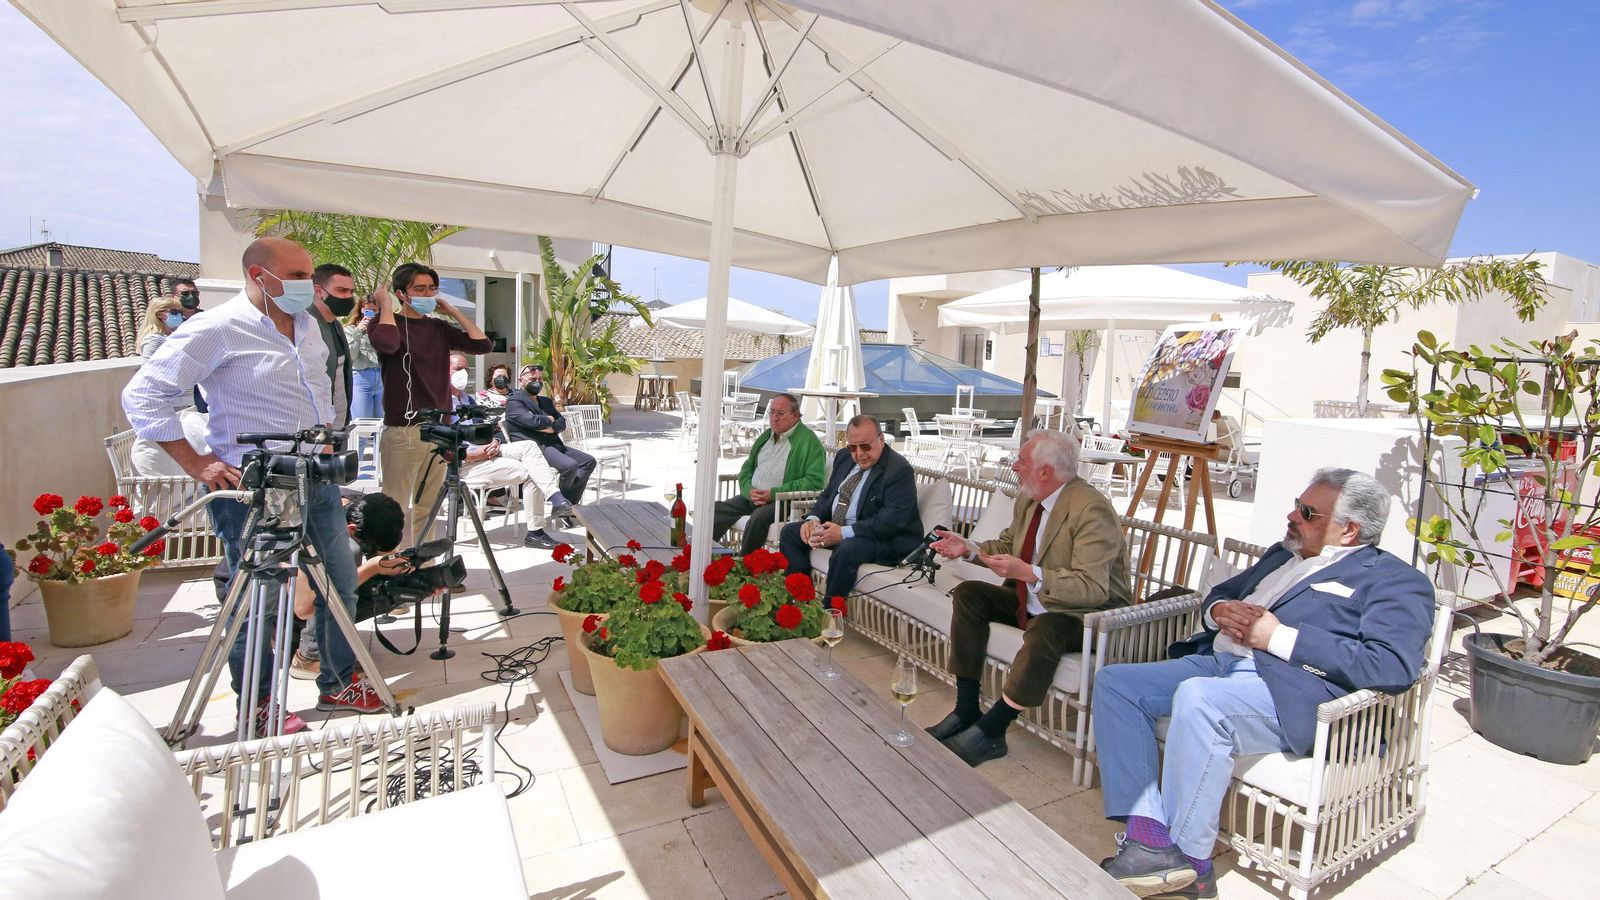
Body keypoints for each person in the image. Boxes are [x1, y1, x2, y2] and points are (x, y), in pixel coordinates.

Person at [1091, 469, 1434, 898]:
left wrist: (1279, 638)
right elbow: (1222, 592)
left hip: (1289, 690)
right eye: (1297, 504)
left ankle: (1194, 869)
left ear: (1349, 530)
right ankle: (1149, 839)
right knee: (1115, 683)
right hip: (1219, 662)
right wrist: (1219, 612)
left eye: (1307, 512)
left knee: (1200, 700)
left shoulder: (1394, 580)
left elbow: (1393, 666)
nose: (1293, 516)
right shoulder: (1282, 554)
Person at [121, 236, 381, 734]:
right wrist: (196, 462)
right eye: (298, 276)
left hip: (313, 477)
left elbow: (315, 388)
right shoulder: (218, 328)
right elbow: (144, 395)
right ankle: (258, 705)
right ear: (260, 275)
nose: (308, 285)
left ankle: (339, 680)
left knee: (339, 581)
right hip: (254, 487)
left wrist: (327, 437)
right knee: (258, 599)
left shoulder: (307, 325)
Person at [927, 429, 1131, 767]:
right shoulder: (1029, 499)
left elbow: (1093, 588)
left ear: (1045, 471)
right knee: (969, 594)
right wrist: (968, 549)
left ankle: (993, 730)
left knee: (1047, 629)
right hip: (1035, 600)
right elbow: (1008, 545)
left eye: (1021, 461)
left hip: (1089, 615)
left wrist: (1031, 574)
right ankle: (965, 710)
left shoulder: (1092, 510)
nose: (1014, 467)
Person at [368, 263, 494, 547]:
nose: (427, 294)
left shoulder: (438, 327)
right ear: (402, 293)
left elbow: (482, 345)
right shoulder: (384, 323)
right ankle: (393, 565)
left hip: (440, 429)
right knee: (395, 507)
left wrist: (453, 312)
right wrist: (385, 306)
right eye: (420, 289)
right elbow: (388, 345)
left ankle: (424, 564)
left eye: (432, 288)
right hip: (404, 429)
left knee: (429, 507)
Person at [778, 415, 923, 604]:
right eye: (853, 447)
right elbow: (829, 495)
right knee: (790, 532)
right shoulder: (844, 457)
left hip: (884, 539)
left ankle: (830, 611)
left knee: (847, 548)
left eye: (865, 446)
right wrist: (813, 519)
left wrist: (843, 533)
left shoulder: (898, 470)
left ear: (881, 440)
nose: (859, 453)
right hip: (840, 528)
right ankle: (802, 602)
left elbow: (890, 521)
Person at [290, 491, 416, 680]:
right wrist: (371, 568)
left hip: (300, 607)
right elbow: (303, 608)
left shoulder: (359, 507)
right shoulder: (316, 528)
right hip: (278, 613)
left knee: (389, 589)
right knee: (350, 551)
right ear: (351, 529)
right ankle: (310, 655)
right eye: (370, 548)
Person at [713, 392, 825, 555]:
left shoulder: (809, 442)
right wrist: (749, 490)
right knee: (716, 510)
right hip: (753, 497)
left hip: (784, 503)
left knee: (758, 519)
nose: (774, 418)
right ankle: (707, 556)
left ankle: (745, 564)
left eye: (780, 413)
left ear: (795, 415)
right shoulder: (767, 436)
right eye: (772, 412)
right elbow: (746, 468)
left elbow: (814, 481)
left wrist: (773, 494)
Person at [504, 363, 597, 508]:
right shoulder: (514, 401)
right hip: (536, 448)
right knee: (569, 466)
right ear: (521, 380)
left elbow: (562, 423)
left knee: (588, 461)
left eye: (540, 379)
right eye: (532, 379)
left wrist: (549, 427)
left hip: (553, 444)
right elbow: (531, 421)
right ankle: (561, 504)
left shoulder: (545, 401)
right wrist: (549, 420)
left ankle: (569, 503)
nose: (537, 382)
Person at [311, 263, 356, 428]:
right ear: (318, 291)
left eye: (351, 292)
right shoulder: (306, 325)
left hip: (337, 424)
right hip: (318, 425)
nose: (348, 297)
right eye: (341, 290)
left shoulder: (335, 325)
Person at [345, 294, 384, 421]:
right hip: (361, 377)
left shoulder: (384, 328)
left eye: (374, 310)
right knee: (362, 423)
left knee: (383, 424)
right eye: (367, 311)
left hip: (382, 377)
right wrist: (359, 332)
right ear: (360, 310)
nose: (370, 314)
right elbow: (350, 356)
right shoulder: (351, 329)